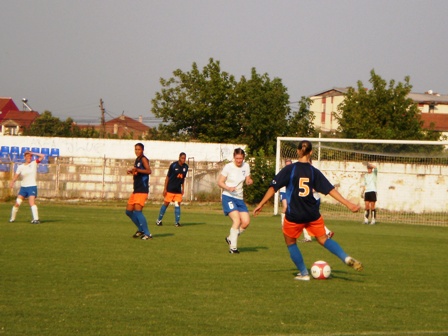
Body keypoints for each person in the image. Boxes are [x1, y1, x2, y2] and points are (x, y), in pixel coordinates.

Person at [253, 140, 363, 281]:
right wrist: (348, 204)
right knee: (323, 239)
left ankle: (304, 273)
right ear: (311, 153)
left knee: (291, 242)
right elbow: (330, 190)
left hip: (294, 214)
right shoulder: (313, 171)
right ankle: (345, 257)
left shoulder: (290, 169)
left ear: (298, 151)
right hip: (312, 213)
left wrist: (261, 204)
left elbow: (273, 188)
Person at [218, 148, 253, 254]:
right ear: (234, 157)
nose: (239, 161)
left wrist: (249, 180)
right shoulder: (228, 167)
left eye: (241, 158)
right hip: (228, 196)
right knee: (237, 220)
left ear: (243, 158)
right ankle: (233, 248)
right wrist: (228, 188)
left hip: (239, 198)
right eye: (237, 158)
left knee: (246, 222)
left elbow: (247, 178)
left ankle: (230, 238)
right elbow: (220, 182)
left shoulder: (246, 166)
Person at [9, 150, 46, 224]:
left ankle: (36, 219)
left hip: (32, 186)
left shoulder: (34, 163)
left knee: (31, 202)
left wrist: (32, 153)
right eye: (27, 156)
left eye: (30, 156)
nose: (29, 157)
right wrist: (12, 182)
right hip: (23, 188)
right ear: (25, 157)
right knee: (17, 203)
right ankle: (12, 218)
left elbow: (42, 156)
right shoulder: (20, 167)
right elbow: (16, 176)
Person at [125, 143, 152, 240]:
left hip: (142, 189)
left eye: (139, 149)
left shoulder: (144, 159)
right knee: (128, 211)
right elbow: (139, 172)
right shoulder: (137, 160)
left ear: (142, 150)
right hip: (136, 189)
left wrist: (137, 170)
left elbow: (149, 171)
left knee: (138, 211)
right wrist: (133, 172)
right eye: (135, 149)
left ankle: (148, 234)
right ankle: (141, 229)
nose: (137, 151)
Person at [156, 152, 189, 227]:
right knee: (166, 204)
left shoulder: (186, 167)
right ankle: (159, 220)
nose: (183, 160)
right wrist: (165, 189)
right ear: (179, 158)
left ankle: (177, 222)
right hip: (170, 188)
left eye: (184, 158)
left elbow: (183, 178)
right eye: (182, 158)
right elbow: (167, 177)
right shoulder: (173, 165)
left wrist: (183, 188)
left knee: (177, 205)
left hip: (178, 190)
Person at [279, 159, 292, 226]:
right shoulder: (283, 172)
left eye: (289, 165)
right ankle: (283, 224)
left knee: (291, 207)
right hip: (283, 191)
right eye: (287, 165)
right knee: (285, 206)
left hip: (290, 191)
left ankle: (289, 222)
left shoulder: (293, 172)